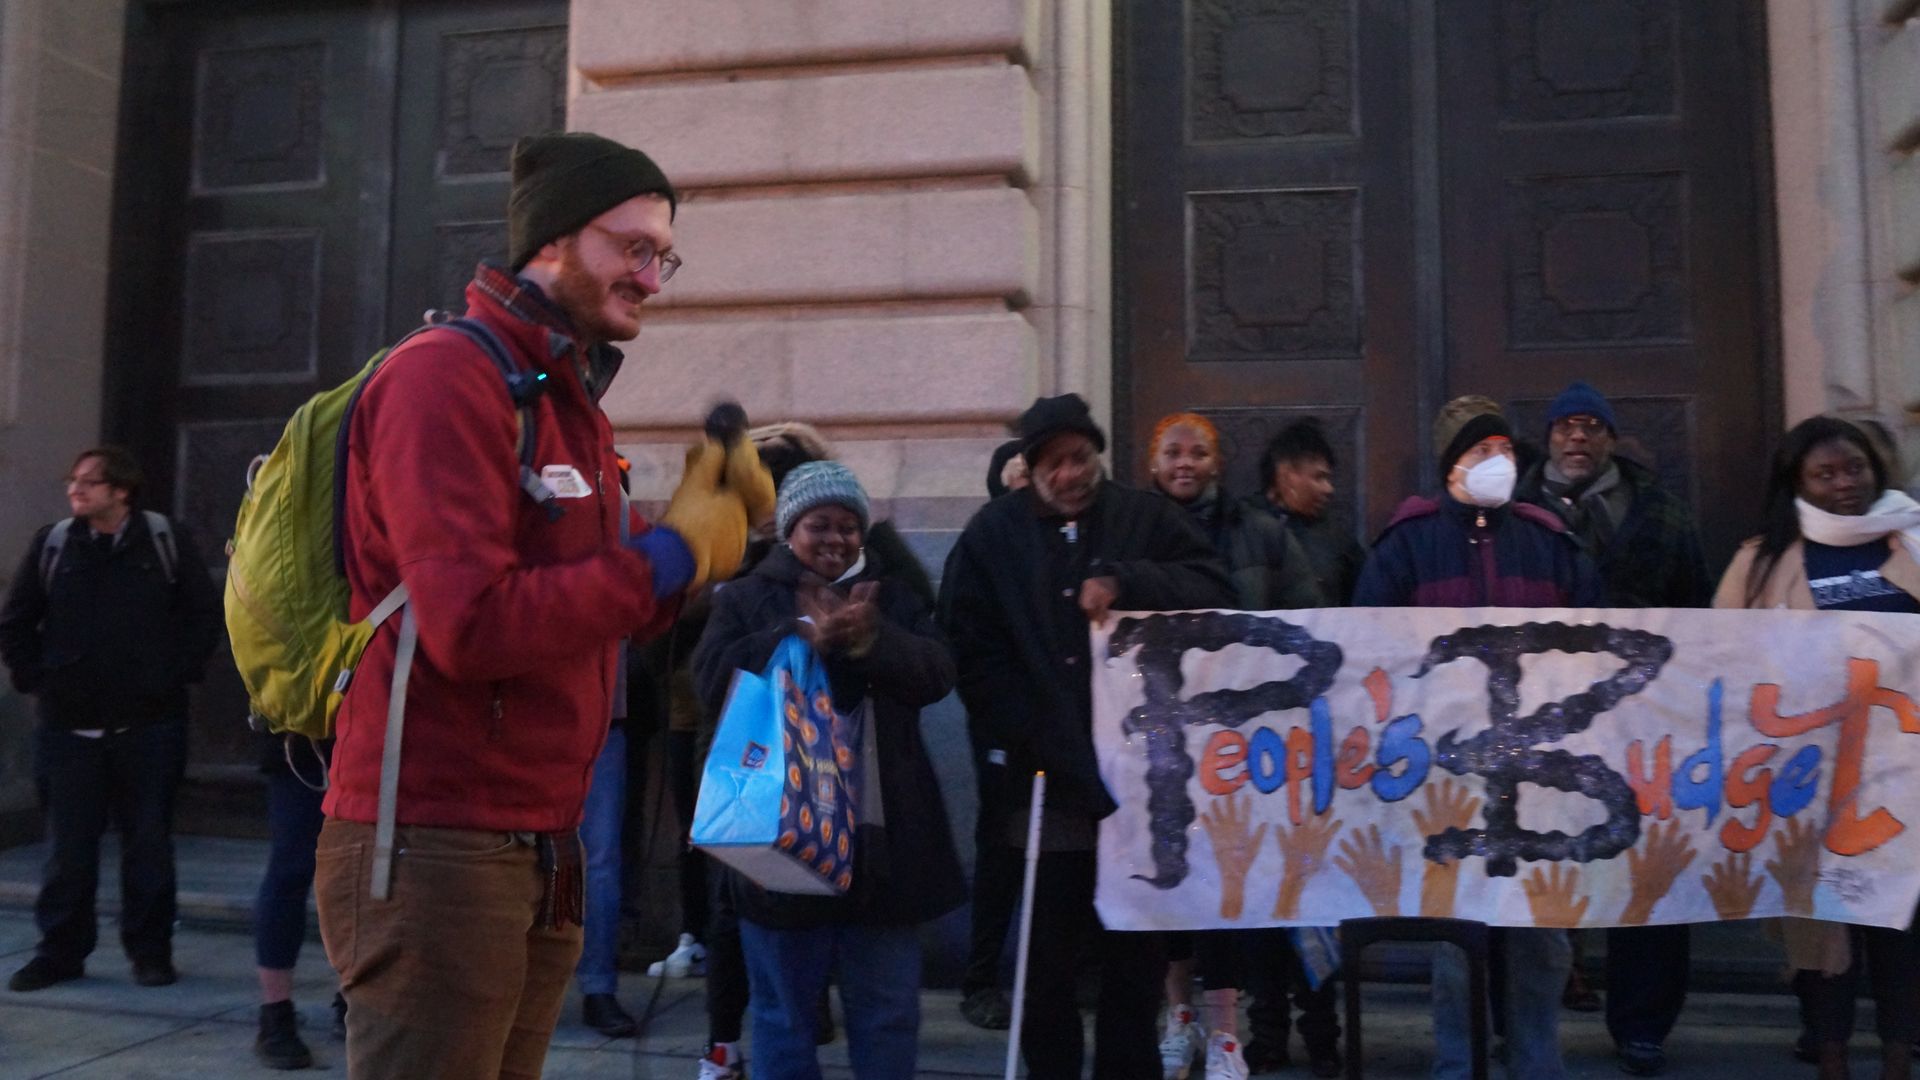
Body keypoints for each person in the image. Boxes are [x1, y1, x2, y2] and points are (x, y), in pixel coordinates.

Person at [311, 131, 774, 1079]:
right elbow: (468, 627)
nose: (652, 276)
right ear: (554, 240)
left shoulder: (567, 401)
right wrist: (667, 553)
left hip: (540, 847)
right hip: (437, 848)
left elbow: (597, 610)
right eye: (633, 247)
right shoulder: (445, 377)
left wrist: (698, 551)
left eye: (663, 255)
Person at [940, 393, 1237, 1080]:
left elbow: (1211, 585)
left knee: (1132, 963)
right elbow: (970, 649)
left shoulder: (1142, 516)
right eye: (1053, 464)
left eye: (1080, 458)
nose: (1071, 475)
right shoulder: (993, 535)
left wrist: (1124, 580)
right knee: (1045, 967)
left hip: (1139, 783)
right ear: (1031, 470)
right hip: (1043, 784)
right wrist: (1033, 733)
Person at [1353, 396, 1602, 1080]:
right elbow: (1370, 651)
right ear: (1449, 466)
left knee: (1540, 934)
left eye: (1503, 450)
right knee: (1456, 935)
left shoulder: (1549, 540)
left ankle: (1536, 1062)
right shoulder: (1406, 543)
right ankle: (1456, 1064)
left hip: (1542, 772)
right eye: (1477, 452)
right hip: (1447, 775)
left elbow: (1599, 641)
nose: (1496, 463)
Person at [691, 461, 966, 1079]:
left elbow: (937, 674)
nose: (835, 538)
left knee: (889, 1015)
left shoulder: (894, 594)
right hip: (780, 847)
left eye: (848, 526)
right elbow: (710, 683)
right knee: (784, 1019)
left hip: (882, 850)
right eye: (820, 524)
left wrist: (873, 641)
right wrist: (795, 637)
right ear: (791, 530)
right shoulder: (745, 596)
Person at [1711, 415, 1920, 1080]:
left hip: (1906, 775)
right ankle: (1829, 1052)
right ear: (1797, 484)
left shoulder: (1912, 540)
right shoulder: (1763, 559)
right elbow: (1718, 660)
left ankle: (1897, 1053)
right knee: (1821, 921)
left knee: (1904, 924)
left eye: (1853, 469)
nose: (1844, 485)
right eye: (1824, 474)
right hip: (1809, 775)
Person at [1513, 380, 1711, 1076]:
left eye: (1591, 426)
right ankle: (1531, 1014)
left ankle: (1643, 1024)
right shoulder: (1511, 511)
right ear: (1548, 438)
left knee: (1647, 869)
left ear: (1608, 438)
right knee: (1532, 860)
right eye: (1564, 425)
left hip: (1642, 717)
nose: (1577, 438)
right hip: (1536, 719)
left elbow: (1696, 610)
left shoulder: (1661, 511)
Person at [1144, 411, 1331, 1080]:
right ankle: (1180, 1017)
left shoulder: (1262, 534)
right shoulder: (1130, 532)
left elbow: (1308, 617)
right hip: (1160, 740)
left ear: (1218, 464)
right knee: (1168, 883)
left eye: (1199, 451)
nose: (1186, 462)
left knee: (1227, 884)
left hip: (1244, 747)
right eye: (1173, 452)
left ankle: (1225, 1030)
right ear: (1153, 464)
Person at [0, 446, 221, 993]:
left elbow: (203, 615)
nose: (75, 490)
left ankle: (150, 953)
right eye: (72, 480)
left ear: (120, 490)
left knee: (148, 847)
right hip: (68, 729)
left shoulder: (164, 541)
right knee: (67, 852)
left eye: (89, 483)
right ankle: (60, 952)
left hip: (149, 728)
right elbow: (16, 620)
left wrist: (173, 675)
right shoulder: (55, 544)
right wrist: (36, 680)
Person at [957, 436, 1031, 1032]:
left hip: (1077, 730)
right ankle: (981, 979)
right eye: (1017, 480)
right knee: (1003, 848)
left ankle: (1074, 967)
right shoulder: (981, 547)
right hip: (1005, 728)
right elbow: (963, 637)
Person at [252, 733, 344, 1068]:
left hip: (366, 737)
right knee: (291, 870)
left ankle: (355, 994)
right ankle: (275, 1011)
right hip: (301, 739)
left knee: (358, 875)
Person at [1253, 418, 1367, 605]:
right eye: (1319, 477)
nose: (1329, 489)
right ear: (1285, 474)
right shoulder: (1241, 528)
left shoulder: (1335, 536)